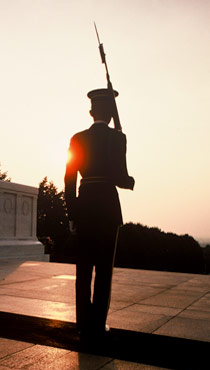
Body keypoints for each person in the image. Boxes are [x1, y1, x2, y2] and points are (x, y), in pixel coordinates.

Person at [64, 88, 135, 341]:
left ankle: (83, 324)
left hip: (85, 206)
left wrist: (72, 214)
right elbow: (120, 177)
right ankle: (97, 325)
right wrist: (131, 181)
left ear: (91, 111)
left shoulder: (77, 138)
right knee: (104, 271)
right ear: (110, 112)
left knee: (83, 270)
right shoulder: (118, 138)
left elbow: (69, 179)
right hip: (107, 208)